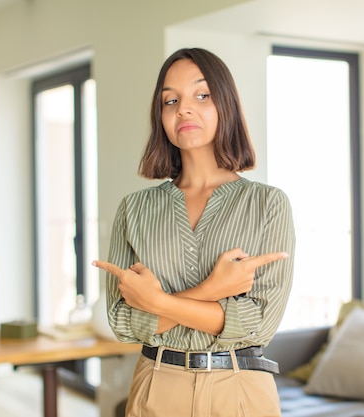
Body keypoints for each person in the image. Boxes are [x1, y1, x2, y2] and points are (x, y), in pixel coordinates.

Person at [92, 47, 295, 417]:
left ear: (226, 105)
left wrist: (155, 302)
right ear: (161, 115)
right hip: (156, 384)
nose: (184, 108)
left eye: (202, 95)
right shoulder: (134, 210)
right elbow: (122, 323)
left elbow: (257, 324)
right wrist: (213, 291)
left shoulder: (268, 204)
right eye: (171, 100)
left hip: (240, 388)